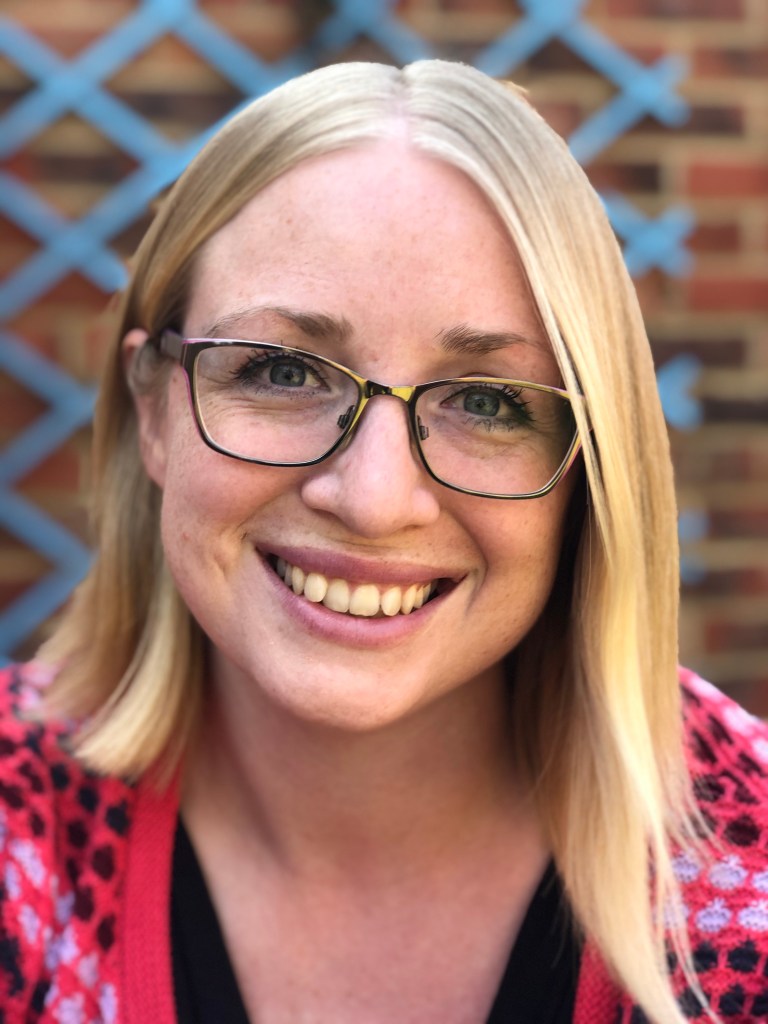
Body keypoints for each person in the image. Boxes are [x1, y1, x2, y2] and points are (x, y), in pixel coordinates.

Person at [1, 59, 767, 1024]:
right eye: (283, 372)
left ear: (591, 471)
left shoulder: (747, 881)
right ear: (154, 411)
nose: (373, 500)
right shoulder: (18, 825)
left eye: (486, 402)